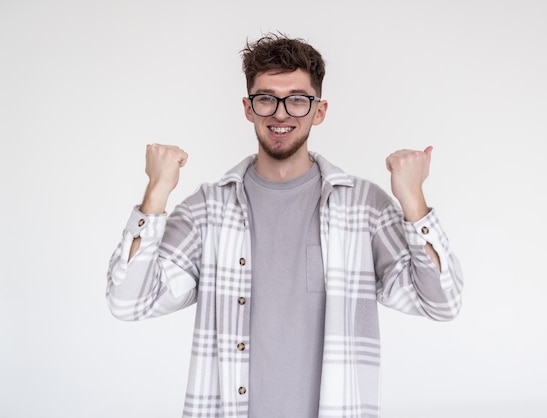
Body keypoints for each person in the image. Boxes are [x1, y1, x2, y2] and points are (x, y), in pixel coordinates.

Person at [107, 32, 463, 418]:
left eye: (297, 99)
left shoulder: (364, 208)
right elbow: (129, 301)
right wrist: (157, 190)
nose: (281, 113)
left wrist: (412, 200)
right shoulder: (208, 210)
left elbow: (441, 303)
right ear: (248, 108)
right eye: (266, 99)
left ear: (319, 110)